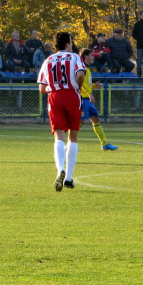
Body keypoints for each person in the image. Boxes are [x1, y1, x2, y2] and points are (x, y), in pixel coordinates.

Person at [38, 32, 86, 191]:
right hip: (71, 95)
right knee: (73, 136)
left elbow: (42, 88)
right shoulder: (74, 57)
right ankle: (69, 178)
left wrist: (54, 87)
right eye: (71, 42)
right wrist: (77, 87)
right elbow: (80, 74)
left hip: (55, 96)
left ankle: (60, 169)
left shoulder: (48, 60)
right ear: (67, 44)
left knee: (59, 136)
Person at [80, 49, 119, 151]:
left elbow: (86, 85)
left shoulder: (87, 69)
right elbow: (81, 83)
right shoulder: (81, 68)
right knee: (81, 121)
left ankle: (104, 144)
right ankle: (68, 143)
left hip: (87, 99)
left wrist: (94, 86)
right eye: (91, 55)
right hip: (82, 99)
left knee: (96, 120)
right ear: (86, 57)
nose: (93, 57)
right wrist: (90, 93)